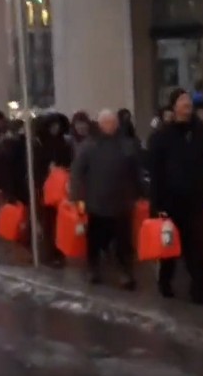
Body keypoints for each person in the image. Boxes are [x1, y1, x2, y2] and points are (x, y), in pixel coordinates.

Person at [148, 88, 203, 306]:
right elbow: (156, 172)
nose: (187, 103)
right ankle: (165, 281)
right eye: (182, 100)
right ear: (174, 107)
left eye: (188, 100)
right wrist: (156, 204)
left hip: (196, 198)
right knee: (169, 246)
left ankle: (200, 290)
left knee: (198, 248)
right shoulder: (162, 136)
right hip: (170, 201)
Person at [71, 109, 142, 289]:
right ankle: (93, 268)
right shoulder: (89, 146)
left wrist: (138, 192)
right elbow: (77, 173)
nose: (111, 126)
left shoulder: (126, 144)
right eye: (107, 123)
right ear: (100, 125)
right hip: (96, 203)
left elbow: (135, 171)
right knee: (95, 240)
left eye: (113, 123)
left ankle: (125, 272)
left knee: (123, 242)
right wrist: (78, 197)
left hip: (121, 203)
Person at [34, 112, 73, 267]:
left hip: (61, 186)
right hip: (47, 187)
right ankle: (50, 253)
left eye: (57, 125)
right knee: (49, 221)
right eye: (53, 125)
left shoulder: (64, 143)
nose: (55, 128)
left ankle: (59, 251)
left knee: (60, 220)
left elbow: (69, 161)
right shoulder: (40, 143)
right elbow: (36, 167)